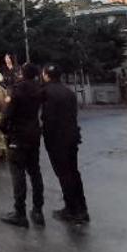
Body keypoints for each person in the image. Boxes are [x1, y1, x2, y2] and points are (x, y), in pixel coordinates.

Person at [41, 64, 89, 223]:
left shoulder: (46, 92)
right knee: (74, 172)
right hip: (72, 136)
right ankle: (82, 208)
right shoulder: (68, 92)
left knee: (64, 174)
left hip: (57, 139)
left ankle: (72, 210)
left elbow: (48, 118)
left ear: (47, 75)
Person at [0, 63, 44, 228]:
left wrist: (3, 128)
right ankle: (38, 210)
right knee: (35, 172)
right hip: (33, 135)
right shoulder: (39, 90)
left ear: (22, 74)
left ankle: (20, 213)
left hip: (17, 136)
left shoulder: (17, 90)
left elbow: (8, 113)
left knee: (18, 174)